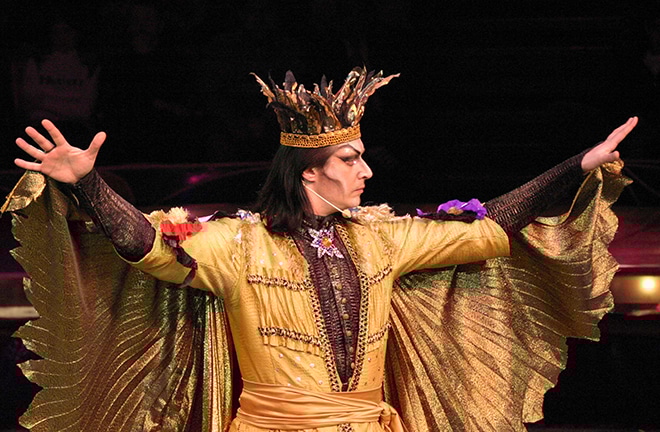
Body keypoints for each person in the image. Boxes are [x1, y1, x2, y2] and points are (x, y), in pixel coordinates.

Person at [5, 67, 636, 432]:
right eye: (349, 159)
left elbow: (487, 225)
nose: (366, 171)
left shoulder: (382, 237)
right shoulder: (240, 244)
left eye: (362, 158)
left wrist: (575, 166)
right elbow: (143, 241)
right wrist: (87, 184)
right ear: (309, 171)